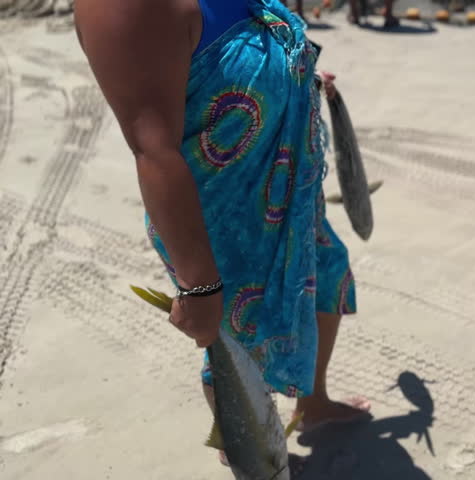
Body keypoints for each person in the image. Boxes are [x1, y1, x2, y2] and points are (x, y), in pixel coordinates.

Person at [74, 0, 371, 473]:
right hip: (224, 226)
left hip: (290, 191)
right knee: (236, 350)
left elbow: (232, 52)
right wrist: (199, 285)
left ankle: (313, 406)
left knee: (328, 275)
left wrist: (296, 75)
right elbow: (152, 147)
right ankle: (253, 460)